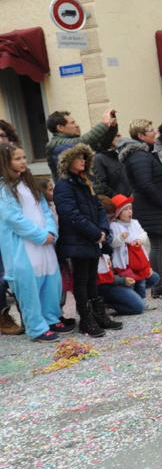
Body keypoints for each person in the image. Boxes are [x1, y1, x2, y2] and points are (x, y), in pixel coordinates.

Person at [0, 142, 68, 342]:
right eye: (18, 158)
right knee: (29, 287)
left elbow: (44, 209)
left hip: (44, 245)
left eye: (24, 157)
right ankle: (36, 327)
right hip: (23, 246)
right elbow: (13, 218)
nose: (23, 162)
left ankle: (50, 317)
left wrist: (50, 231)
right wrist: (39, 236)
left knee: (50, 282)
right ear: (6, 162)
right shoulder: (4, 189)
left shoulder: (29, 184)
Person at [53, 144, 123, 337]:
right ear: (68, 162)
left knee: (92, 279)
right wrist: (95, 233)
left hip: (91, 238)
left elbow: (99, 207)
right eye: (79, 157)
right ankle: (86, 319)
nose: (83, 160)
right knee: (81, 280)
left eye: (85, 157)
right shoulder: (64, 185)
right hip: (77, 240)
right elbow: (70, 214)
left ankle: (99, 315)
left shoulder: (85, 182)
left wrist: (103, 229)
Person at [120, 119, 162, 298]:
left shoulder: (143, 154)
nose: (155, 132)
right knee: (158, 247)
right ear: (140, 136)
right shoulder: (139, 156)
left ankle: (158, 284)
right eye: (150, 130)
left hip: (155, 208)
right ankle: (157, 285)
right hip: (153, 209)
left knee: (160, 246)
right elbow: (145, 184)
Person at [106, 194, 161, 302]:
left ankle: (142, 299)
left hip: (138, 259)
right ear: (118, 213)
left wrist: (140, 239)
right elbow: (112, 243)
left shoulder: (135, 223)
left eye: (130, 208)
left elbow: (144, 233)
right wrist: (121, 238)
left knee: (141, 280)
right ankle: (131, 297)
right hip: (125, 262)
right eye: (125, 210)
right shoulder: (114, 226)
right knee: (131, 281)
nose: (129, 212)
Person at [46, 109, 118, 179]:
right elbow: (82, 141)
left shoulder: (73, 141)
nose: (77, 125)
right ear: (60, 127)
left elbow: (102, 146)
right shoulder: (55, 144)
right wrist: (104, 123)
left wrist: (111, 127)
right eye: (72, 123)